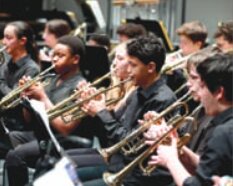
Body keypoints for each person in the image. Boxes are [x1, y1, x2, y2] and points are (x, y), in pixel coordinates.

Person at [70, 35, 177, 186]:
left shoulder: (161, 100)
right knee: (64, 170)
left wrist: (102, 113)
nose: (128, 69)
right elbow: (112, 132)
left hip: (138, 176)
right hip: (118, 164)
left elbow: (129, 145)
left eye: (133, 65)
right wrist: (96, 107)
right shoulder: (137, 91)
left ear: (151, 67)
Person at [4, 35, 86, 186]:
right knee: (8, 142)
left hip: (62, 141)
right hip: (40, 133)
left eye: (61, 55)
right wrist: (27, 99)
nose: (54, 59)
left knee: (15, 156)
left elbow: (65, 128)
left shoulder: (80, 86)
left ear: (75, 59)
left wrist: (42, 97)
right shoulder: (51, 79)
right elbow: (29, 119)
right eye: (53, 54)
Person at [149, 53, 233, 186]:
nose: (198, 92)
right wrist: (178, 146)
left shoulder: (223, 133)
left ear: (219, 92)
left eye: (203, 86)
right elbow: (212, 167)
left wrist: (170, 160)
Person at [0, 21, 40, 157]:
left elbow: (13, 99)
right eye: (3, 37)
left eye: (8, 38)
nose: (3, 42)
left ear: (22, 41)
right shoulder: (6, 64)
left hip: (16, 126)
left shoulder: (31, 68)